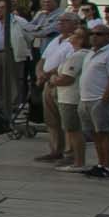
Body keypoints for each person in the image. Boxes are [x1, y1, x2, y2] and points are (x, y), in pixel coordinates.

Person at [75, 13, 109, 180]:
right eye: (92, 34)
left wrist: (104, 101)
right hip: (87, 99)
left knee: (104, 132)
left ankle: (108, 166)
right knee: (95, 134)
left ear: (108, 36)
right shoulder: (91, 53)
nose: (94, 37)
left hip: (102, 100)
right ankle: (100, 163)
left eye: (99, 34)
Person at [36, 13, 83, 169]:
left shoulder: (74, 43)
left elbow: (65, 64)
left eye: (65, 21)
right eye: (60, 21)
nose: (61, 24)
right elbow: (43, 59)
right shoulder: (56, 40)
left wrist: (48, 74)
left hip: (61, 82)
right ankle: (55, 149)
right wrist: (40, 73)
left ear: (75, 24)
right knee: (51, 119)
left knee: (66, 120)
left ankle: (70, 153)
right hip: (48, 83)